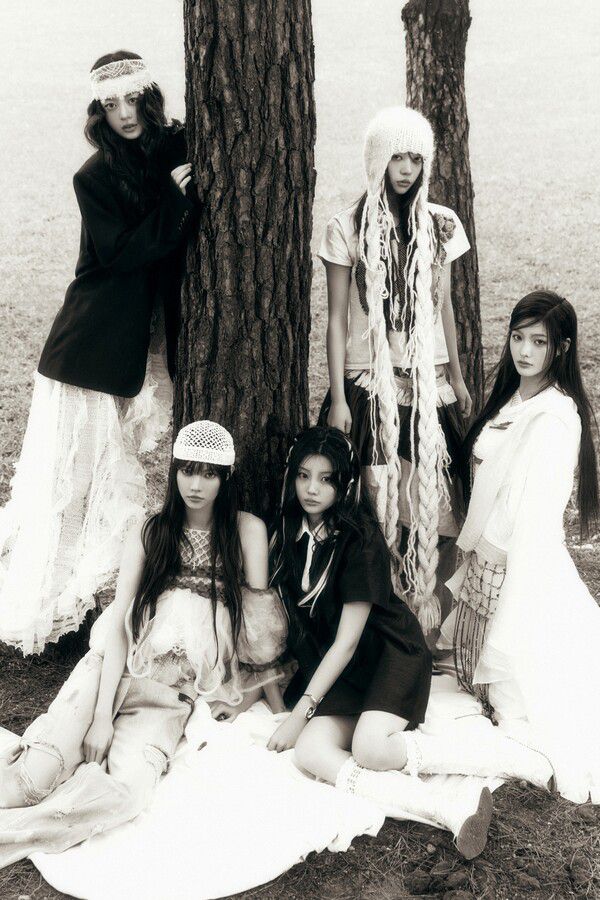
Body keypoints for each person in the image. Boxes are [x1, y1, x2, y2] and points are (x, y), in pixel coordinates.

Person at [0, 421, 287, 867]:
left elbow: (258, 631)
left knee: (127, 794)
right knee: (30, 783)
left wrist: (260, 700)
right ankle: (48, 768)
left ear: (225, 478)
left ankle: (15, 833)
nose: (196, 485)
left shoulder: (246, 530)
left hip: (169, 697)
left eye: (209, 473)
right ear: (174, 472)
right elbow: (120, 623)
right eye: (187, 470)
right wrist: (101, 718)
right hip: (110, 673)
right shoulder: (151, 531)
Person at [0, 51, 196, 654]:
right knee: (77, 487)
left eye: (132, 100)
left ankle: (102, 598)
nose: (124, 115)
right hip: (91, 348)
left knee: (114, 482)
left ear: (148, 98)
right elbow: (120, 255)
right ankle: (57, 608)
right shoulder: (93, 177)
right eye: (111, 105)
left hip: (140, 345)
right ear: (99, 112)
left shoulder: (175, 145)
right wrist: (173, 203)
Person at [267, 426, 497, 860]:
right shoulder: (286, 531)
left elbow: (348, 641)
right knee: (311, 751)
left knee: (370, 748)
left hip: (386, 654)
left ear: (346, 484)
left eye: (326, 479)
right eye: (303, 476)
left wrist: (299, 714)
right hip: (340, 670)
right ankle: (447, 808)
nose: (312, 489)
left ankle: (492, 759)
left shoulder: (359, 539)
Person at [434, 290, 600, 804]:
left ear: (561, 348)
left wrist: (495, 559)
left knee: (522, 698)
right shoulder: (514, 398)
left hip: (517, 558)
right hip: (489, 551)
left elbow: (534, 510)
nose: (524, 351)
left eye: (539, 342)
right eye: (517, 337)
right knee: (477, 680)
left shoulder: (554, 416)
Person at [318, 106, 472, 634]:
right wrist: (339, 397)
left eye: (415, 158)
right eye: (396, 157)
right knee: (376, 501)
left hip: (429, 383)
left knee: (438, 504)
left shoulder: (442, 224)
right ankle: (380, 623)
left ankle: (425, 617)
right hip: (369, 383)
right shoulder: (346, 227)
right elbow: (337, 319)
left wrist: (456, 376)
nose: (406, 169)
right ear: (377, 160)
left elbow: (444, 306)